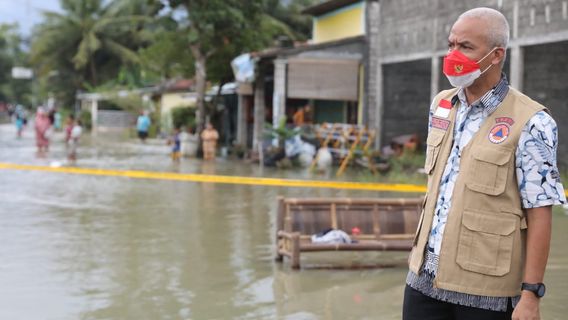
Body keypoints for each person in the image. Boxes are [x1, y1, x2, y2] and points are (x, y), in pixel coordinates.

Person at [403, 7, 565, 320]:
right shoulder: (442, 105)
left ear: (495, 55)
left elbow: (540, 212)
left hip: (485, 291)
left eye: (465, 47)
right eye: (451, 44)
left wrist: (531, 295)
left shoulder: (531, 121)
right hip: (422, 279)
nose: (453, 54)